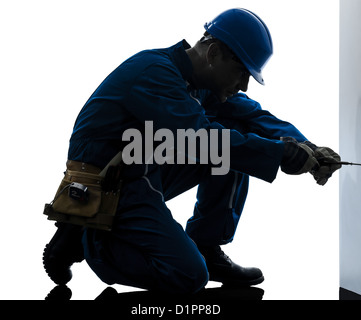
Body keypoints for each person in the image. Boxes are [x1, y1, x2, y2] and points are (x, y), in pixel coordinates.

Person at [43, 8, 341, 294]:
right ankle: (90, 239)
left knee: (233, 125)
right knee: (189, 275)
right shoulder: (154, 74)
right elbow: (202, 140)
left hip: (143, 171)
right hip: (110, 185)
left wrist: (307, 149)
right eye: (241, 73)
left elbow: (251, 116)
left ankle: (206, 245)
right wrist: (279, 154)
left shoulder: (196, 80)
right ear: (213, 54)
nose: (245, 86)